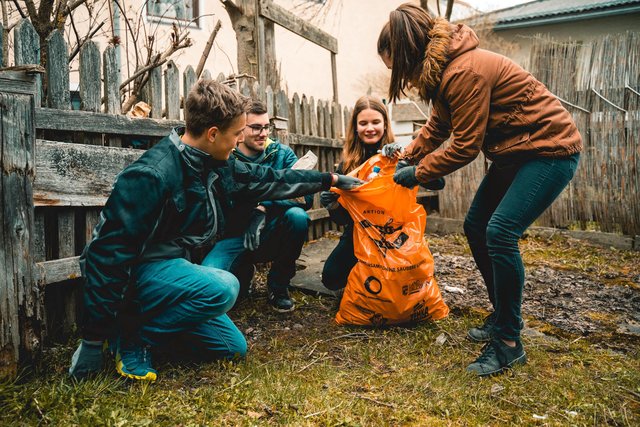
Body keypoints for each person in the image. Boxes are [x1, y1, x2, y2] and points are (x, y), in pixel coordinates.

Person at [68, 80, 362, 382]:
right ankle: (132, 337)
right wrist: (92, 340)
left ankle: (149, 335)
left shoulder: (214, 163)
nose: (238, 142)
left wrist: (330, 179)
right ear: (212, 134)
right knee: (224, 287)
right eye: (236, 134)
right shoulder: (151, 175)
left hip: (172, 271)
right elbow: (106, 256)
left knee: (231, 347)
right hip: (136, 278)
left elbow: (272, 178)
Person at [378, 3, 582, 376]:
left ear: (408, 51)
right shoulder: (443, 72)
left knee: (501, 232)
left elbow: (465, 146)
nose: (399, 76)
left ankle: (508, 342)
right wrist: (406, 154)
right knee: (476, 226)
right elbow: (438, 127)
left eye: (396, 66)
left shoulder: (465, 71)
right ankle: (504, 317)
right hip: (517, 151)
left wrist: (418, 172)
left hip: (549, 150)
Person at [320, 95, 443, 292]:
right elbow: (343, 220)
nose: (370, 128)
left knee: (403, 279)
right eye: (363, 123)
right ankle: (362, 287)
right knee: (331, 278)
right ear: (356, 128)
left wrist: (408, 164)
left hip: (396, 234)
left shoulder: (400, 154)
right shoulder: (348, 165)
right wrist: (332, 204)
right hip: (359, 234)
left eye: (376, 122)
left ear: (385, 124)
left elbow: (439, 182)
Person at [204, 100, 313, 312]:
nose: (263, 133)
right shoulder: (226, 156)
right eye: (256, 127)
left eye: (266, 127)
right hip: (236, 237)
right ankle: (244, 271)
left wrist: (264, 207)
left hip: (273, 234)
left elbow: (305, 198)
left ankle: (278, 285)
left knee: (298, 217)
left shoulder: (282, 155)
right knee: (213, 286)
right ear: (240, 130)